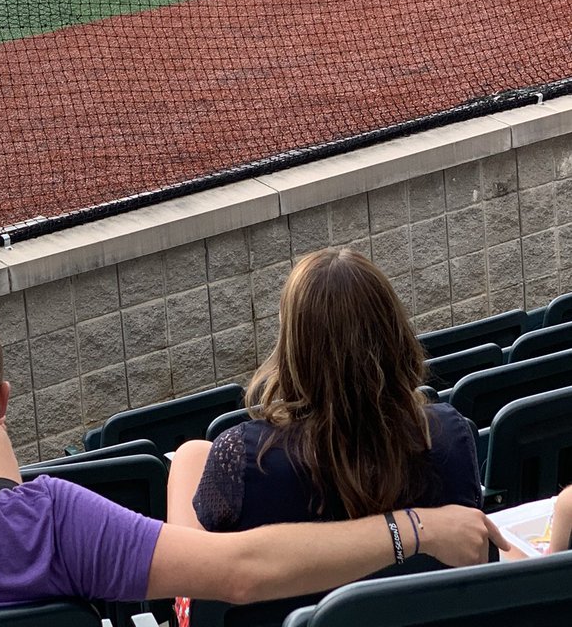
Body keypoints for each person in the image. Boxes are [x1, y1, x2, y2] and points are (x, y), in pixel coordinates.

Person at [0, 302, 504, 627]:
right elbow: (242, 571)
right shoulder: (55, 519)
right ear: (1, 407)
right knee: (1, 498)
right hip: (17, 522)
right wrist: (414, 526)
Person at [167, 247, 487, 624]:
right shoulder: (446, 435)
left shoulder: (242, 458)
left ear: (293, 349)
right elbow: (473, 560)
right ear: (394, 334)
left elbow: (195, 590)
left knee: (190, 456)